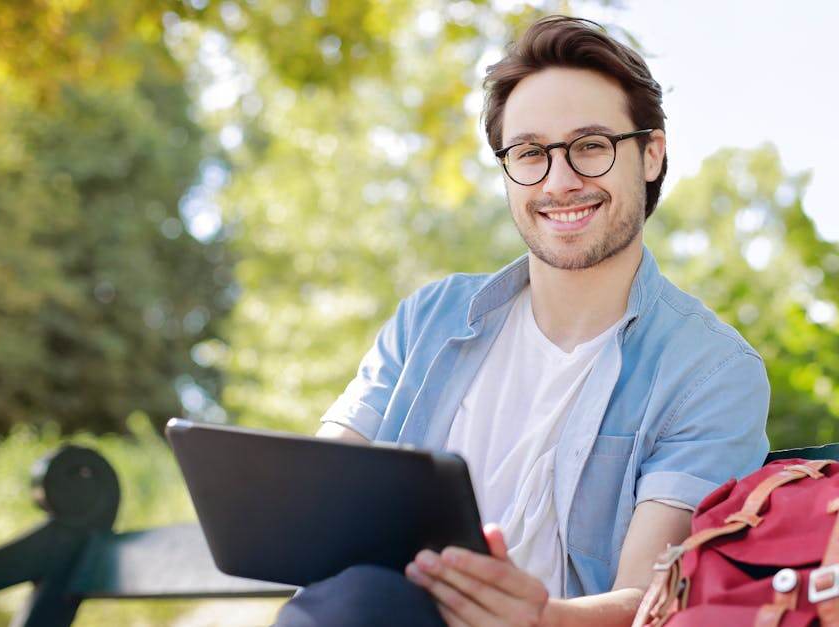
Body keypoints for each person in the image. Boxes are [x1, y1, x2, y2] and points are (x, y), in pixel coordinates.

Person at [275, 15, 770, 627]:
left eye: (591, 146)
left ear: (650, 154)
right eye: (531, 152)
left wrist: (543, 619)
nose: (560, 182)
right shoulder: (428, 319)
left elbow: (650, 603)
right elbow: (315, 490)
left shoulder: (709, 372)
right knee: (355, 597)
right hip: (374, 612)